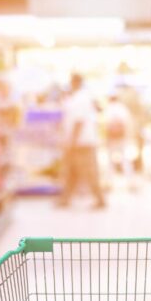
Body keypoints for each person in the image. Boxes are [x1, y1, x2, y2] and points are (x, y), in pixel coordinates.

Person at [59, 73, 105, 208]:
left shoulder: (80, 98)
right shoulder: (77, 98)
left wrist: (71, 143)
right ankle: (65, 199)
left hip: (82, 143)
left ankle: (100, 199)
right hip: (79, 142)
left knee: (89, 172)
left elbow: (79, 122)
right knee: (71, 172)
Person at [103, 93, 134, 180]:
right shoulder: (122, 108)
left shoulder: (108, 108)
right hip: (122, 137)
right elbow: (127, 123)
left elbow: (106, 125)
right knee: (125, 158)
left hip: (112, 138)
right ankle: (130, 179)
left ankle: (109, 180)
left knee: (110, 159)